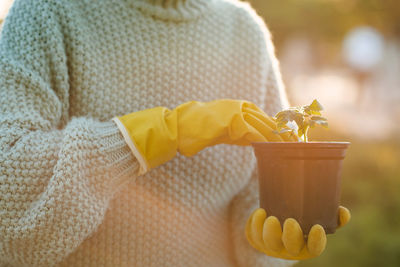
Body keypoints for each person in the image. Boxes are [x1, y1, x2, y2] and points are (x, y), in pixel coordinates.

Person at [0, 0, 350, 266]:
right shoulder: (47, 13)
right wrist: (157, 134)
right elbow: (8, 192)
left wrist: (263, 236)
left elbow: (259, 183)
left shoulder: (244, 31)